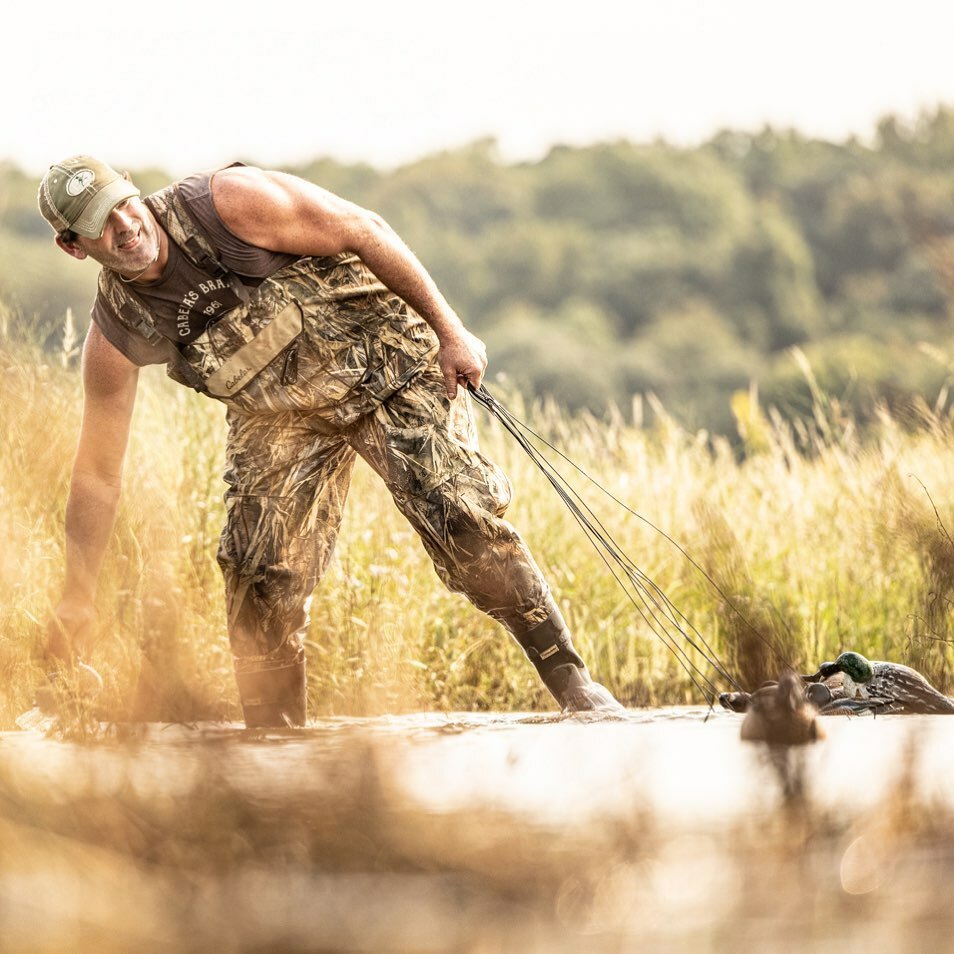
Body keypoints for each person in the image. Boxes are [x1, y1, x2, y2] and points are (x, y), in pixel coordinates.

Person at [37, 155, 623, 726]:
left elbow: (364, 230)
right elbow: (96, 474)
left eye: (123, 206)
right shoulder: (117, 332)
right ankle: (276, 742)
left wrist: (451, 330)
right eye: (100, 226)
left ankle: (574, 685)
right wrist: (78, 596)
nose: (124, 228)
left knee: (455, 513)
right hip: (279, 421)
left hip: (386, 368)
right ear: (72, 245)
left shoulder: (225, 204)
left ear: (133, 190)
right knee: (256, 574)